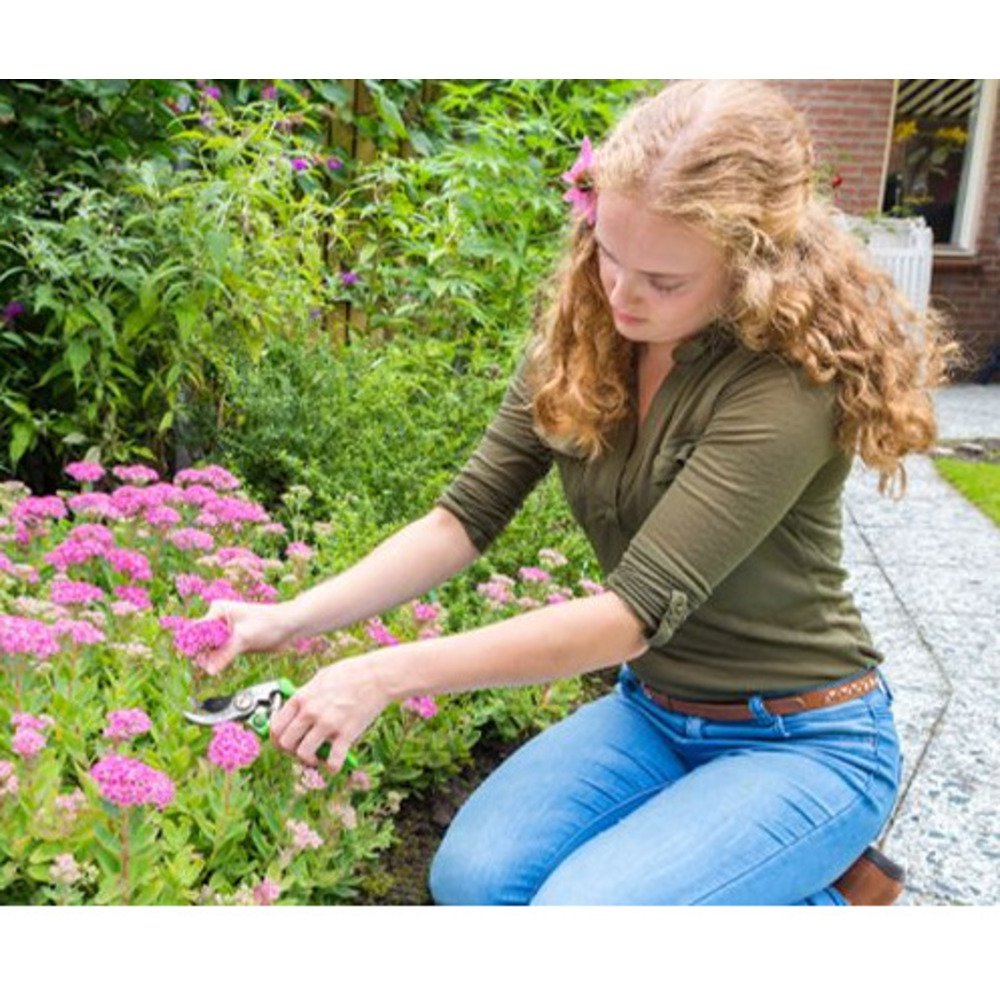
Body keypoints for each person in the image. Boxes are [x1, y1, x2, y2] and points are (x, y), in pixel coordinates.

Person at [201, 79, 959, 905]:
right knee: (474, 882)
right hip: (657, 716)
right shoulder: (587, 338)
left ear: (753, 266)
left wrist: (384, 674)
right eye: (608, 254)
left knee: (579, 919)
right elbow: (463, 519)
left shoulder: (784, 388)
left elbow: (627, 617)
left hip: (803, 738)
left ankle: (829, 901)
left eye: (664, 280)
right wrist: (288, 619)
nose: (621, 295)